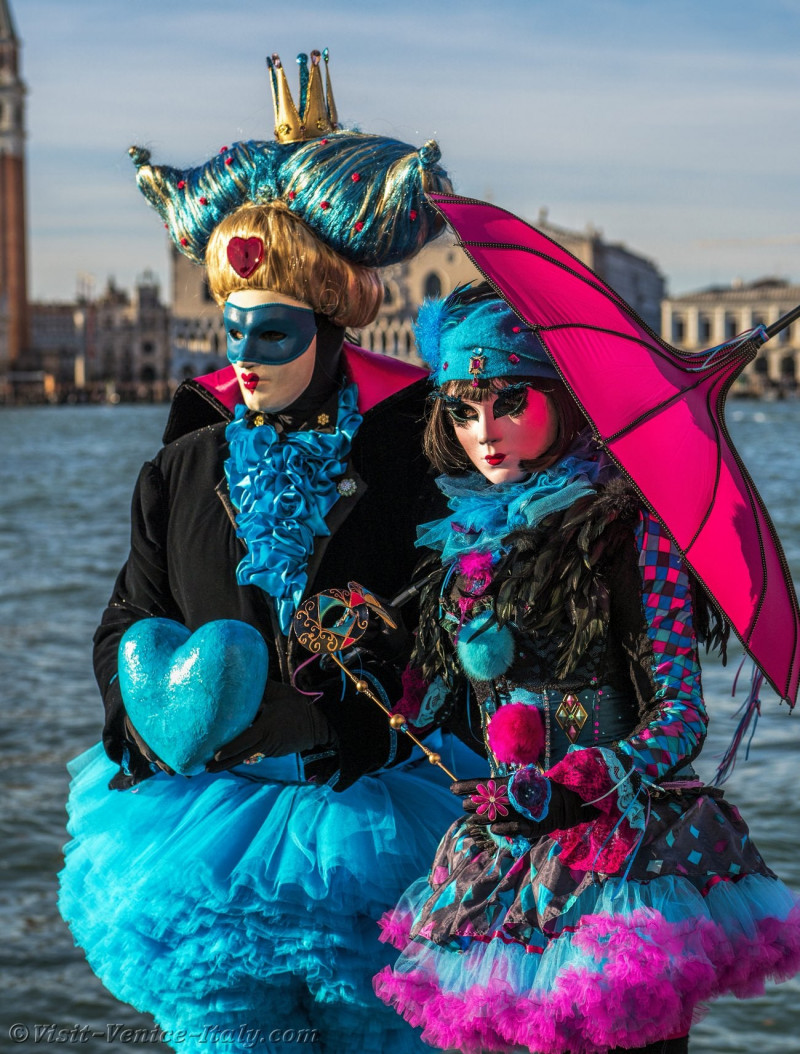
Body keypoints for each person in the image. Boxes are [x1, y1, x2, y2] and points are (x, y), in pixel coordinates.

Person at [58, 51, 471, 1054]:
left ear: (328, 332)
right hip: (204, 828)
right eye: (235, 331)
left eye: (273, 336)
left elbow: (441, 614)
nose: (245, 359)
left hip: (362, 813)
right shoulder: (179, 467)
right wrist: (149, 710)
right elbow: (129, 615)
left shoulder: (401, 453)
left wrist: (394, 660)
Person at [373, 282, 800, 1054]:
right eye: (464, 411)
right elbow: (458, 701)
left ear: (559, 395)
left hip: (619, 862)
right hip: (503, 861)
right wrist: (382, 673)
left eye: (508, 401)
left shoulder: (632, 530)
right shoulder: (469, 548)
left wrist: (577, 785)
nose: (485, 433)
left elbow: (680, 714)